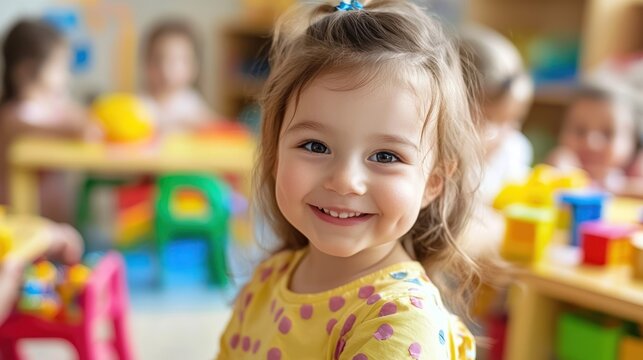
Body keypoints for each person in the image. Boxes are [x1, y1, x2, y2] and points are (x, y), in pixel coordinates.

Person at [216, 1, 482, 358]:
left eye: (386, 156)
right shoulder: (270, 278)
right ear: (275, 151)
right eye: (315, 145)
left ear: (433, 182)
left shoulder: (403, 323)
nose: (345, 181)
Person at [0, 19, 94, 223]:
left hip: (53, 221)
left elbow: (83, 123)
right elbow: (68, 127)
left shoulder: (55, 109)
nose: (67, 77)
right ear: (26, 71)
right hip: (18, 224)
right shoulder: (12, 115)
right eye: (60, 68)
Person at [547, 80, 643, 197]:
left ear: (634, 141)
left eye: (608, 133)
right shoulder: (562, 164)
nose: (591, 143)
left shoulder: (635, 171)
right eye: (580, 131)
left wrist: (621, 187)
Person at [141, 19, 214, 135]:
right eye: (158, 60)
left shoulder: (191, 102)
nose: (166, 70)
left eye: (177, 61)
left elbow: (213, 125)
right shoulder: (141, 104)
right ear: (146, 64)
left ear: (194, 67)